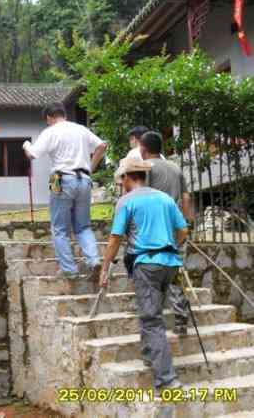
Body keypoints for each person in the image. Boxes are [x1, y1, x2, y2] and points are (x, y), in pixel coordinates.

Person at [99, 157, 188, 392]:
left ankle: (168, 380)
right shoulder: (165, 198)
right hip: (170, 263)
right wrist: (169, 245)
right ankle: (150, 354)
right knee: (152, 311)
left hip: (146, 264)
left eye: (122, 179)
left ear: (127, 178)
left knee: (151, 319)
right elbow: (183, 230)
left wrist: (105, 268)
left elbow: (115, 238)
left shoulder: (126, 201)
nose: (122, 183)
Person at [23, 103, 108, 279]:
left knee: (59, 228)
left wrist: (26, 146)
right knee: (83, 226)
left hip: (58, 177)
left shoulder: (50, 131)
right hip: (84, 178)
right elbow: (102, 146)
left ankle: (69, 269)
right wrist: (90, 168)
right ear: (64, 114)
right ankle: (94, 260)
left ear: (49, 117)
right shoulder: (81, 129)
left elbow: (33, 154)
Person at [139, 131, 194, 336]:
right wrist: (186, 223)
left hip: (156, 230)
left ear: (143, 149)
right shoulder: (175, 167)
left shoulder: (146, 168)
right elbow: (186, 198)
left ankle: (154, 320)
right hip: (176, 227)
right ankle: (180, 320)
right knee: (176, 273)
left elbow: (142, 197)